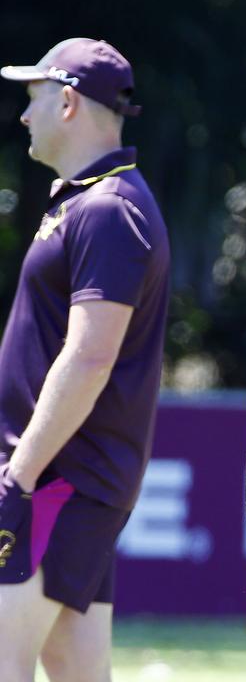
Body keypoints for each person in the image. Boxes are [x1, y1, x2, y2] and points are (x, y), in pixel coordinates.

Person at [0, 38, 170, 681]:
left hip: (57, 480)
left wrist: (20, 474)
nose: (23, 116)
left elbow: (90, 356)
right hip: (67, 480)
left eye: (34, 99)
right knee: (76, 673)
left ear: (68, 101)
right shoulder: (92, 200)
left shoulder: (109, 209)